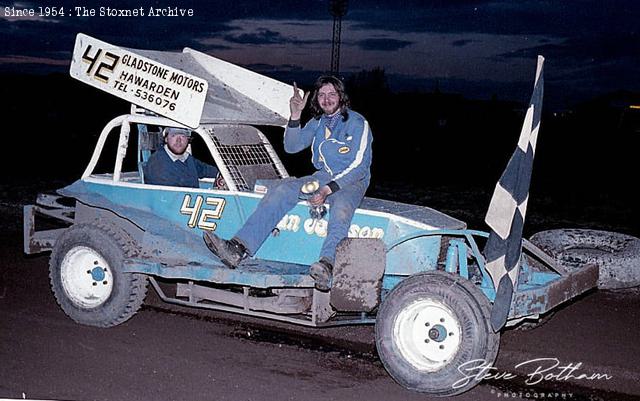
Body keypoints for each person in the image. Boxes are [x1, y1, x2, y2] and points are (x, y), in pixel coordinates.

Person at [203, 75, 373, 291]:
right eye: (321, 95)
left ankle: (328, 265)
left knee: (340, 209)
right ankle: (238, 247)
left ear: (341, 96)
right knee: (283, 190)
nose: (326, 99)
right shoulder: (317, 122)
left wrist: (329, 189)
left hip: (351, 181)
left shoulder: (357, 122)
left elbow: (360, 165)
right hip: (322, 176)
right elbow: (291, 147)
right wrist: (294, 116)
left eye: (331, 94)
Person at [144, 127, 219, 188]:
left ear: (188, 140)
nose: (178, 140)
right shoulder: (157, 163)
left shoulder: (186, 158)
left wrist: (220, 176)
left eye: (183, 136)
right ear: (166, 139)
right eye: (173, 136)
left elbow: (204, 170)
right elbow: (171, 195)